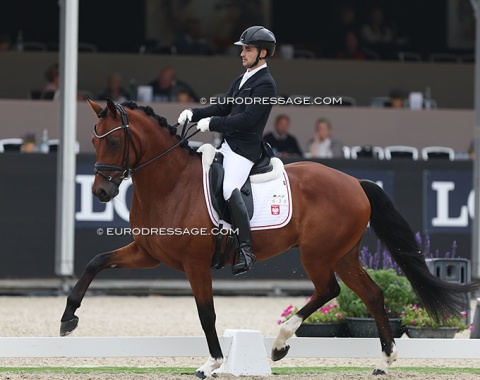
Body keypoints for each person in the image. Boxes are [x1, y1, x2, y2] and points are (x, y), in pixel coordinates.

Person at [177, 26, 277, 275]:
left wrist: (212, 124)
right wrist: (195, 113)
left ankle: (246, 249)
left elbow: (246, 119)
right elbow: (224, 107)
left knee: (228, 187)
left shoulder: (265, 84)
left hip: (245, 150)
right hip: (228, 145)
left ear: (262, 53)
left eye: (248, 49)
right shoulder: (243, 77)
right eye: (243, 49)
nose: (242, 53)